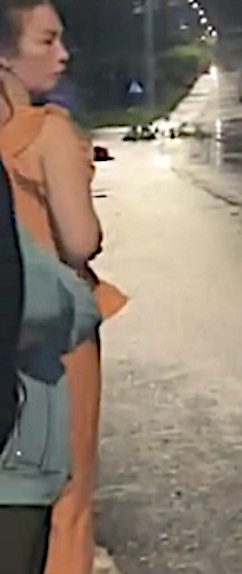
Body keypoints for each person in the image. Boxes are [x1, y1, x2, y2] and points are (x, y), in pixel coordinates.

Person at [0, 0, 126, 574]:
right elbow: (81, 241)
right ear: (5, 53)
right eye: (46, 40)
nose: (63, 53)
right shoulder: (48, 130)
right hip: (52, 332)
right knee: (66, 492)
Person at [0, 159, 102, 574]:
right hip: (15, 445)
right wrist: (77, 299)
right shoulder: (51, 133)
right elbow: (43, 299)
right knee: (68, 516)